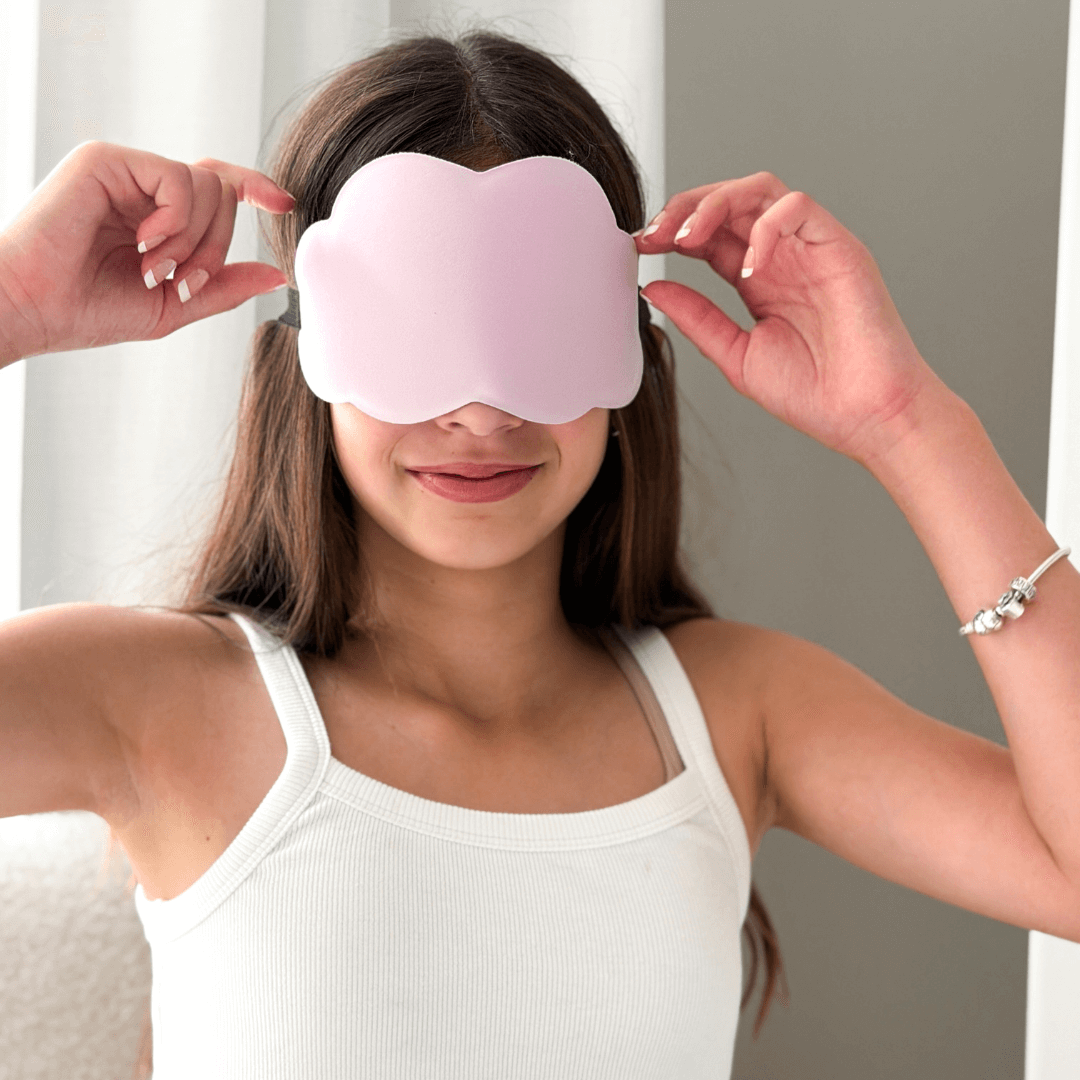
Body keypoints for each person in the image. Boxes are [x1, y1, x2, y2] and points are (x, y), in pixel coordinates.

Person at [1, 26, 1078, 1080]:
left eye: (539, 324)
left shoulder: (739, 711)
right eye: (416, 329)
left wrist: (905, 421)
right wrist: (10, 305)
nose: (480, 411)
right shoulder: (149, 698)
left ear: (627, 341)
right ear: (308, 351)